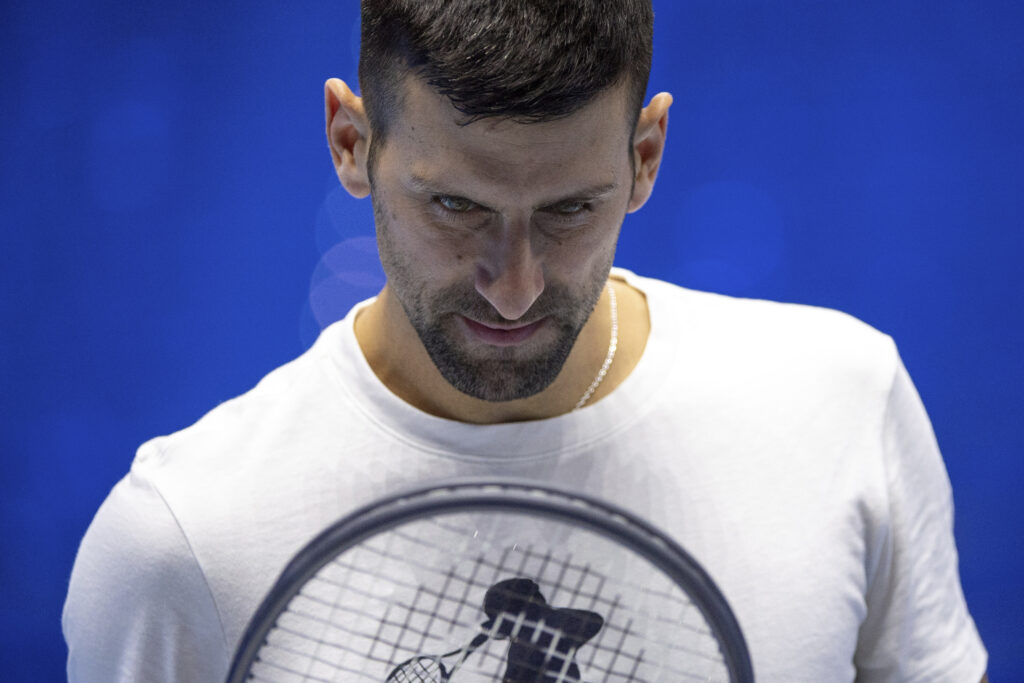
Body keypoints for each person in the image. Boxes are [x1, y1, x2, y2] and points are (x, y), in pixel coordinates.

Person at [63, 1, 988, 680]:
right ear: (351, 142)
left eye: (568, 211)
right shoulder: (181, 540)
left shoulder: (840, 406)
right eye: (456, 206)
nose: (514, 283)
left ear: (646, 157)